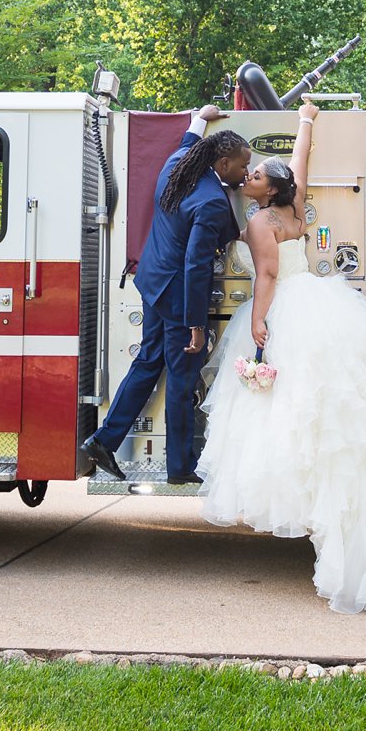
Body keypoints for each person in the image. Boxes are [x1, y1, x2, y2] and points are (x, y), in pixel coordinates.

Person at [199, 99, 366, 612]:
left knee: (297, 416)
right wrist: (306, 120)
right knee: (335, 413)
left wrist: (258, 322)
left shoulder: (259, 223)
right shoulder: (293, 210)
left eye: (255, 174)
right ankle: (350, 530)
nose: (249, 174)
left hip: (289, 307)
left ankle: (321, 513)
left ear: (267, 190)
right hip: (321, 304)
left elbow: (270, 276)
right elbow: (299, 165)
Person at [84, 105, 250, 486]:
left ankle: (104, 440)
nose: (245, 173)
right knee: (181, 378)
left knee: (148, 362)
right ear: (222, 163)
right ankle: (180, 467)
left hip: (153, 281)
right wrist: (194, 324)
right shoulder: (210, 200)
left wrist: (201, 118)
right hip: (177, 295)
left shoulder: (179, 162)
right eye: (242, 166)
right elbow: (196, 265)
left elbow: (188, 141)